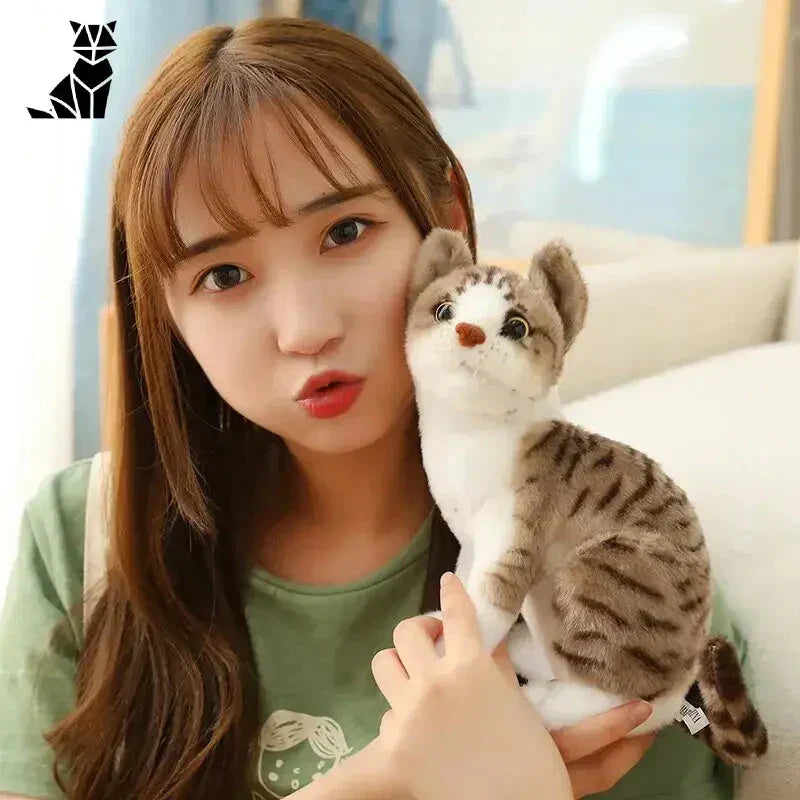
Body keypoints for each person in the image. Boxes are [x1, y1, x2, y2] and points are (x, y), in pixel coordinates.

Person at [0, 16, 749, 800]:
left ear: (446, 221)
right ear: (164, 312)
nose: (304, 329)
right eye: (223, 276)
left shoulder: (625, 564)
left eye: (345, 231)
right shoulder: (83, 541)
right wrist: (386, 779)